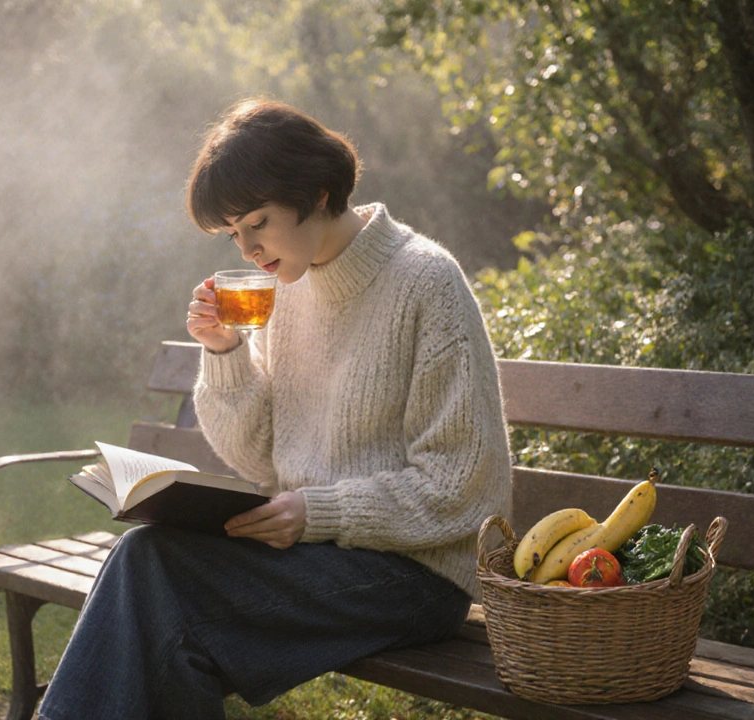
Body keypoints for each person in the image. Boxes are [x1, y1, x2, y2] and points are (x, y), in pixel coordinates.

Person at [35, 98, 512, 720]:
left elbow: (461, 489)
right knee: (146, 564)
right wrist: (227, 351)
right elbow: (259, 456)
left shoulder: (426, 282)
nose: (250, 249)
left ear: (316, 192)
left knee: (160, 595)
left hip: (416, 575)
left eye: (257, 222)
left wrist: (316, 511)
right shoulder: (287, 287)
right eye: (235, 234)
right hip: (316, 557)